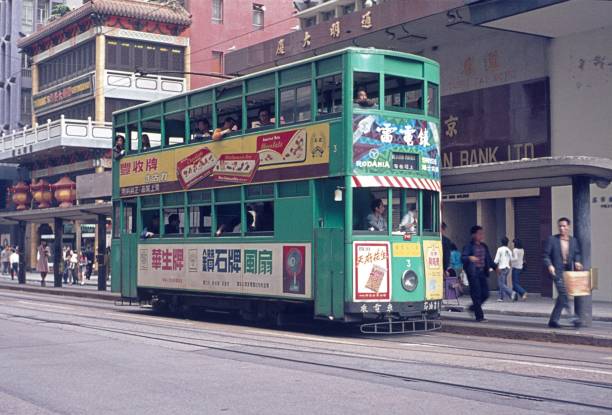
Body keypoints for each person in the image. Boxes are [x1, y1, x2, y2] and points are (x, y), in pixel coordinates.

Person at [543, 217, 583, 328]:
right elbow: (545, 255)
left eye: (564, 226)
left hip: (568, 272)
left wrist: (578, 262)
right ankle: (572, 317)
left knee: (562, 296)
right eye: (560, 226)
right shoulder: (552, 239)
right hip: (556, 271)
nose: (562, 228)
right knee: (563, 294)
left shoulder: (573, 241)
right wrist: (550, 265)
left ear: (568, 227)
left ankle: (553, 321)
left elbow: (577, 253)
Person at [461, 225, 496, 322]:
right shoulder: (468, 247)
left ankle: (473, 307)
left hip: (482, 273)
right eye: (479, 234)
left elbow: (488, 258)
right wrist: (469, 258)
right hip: (473, 273)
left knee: (485, 294)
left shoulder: (484, 246)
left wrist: (495, 267)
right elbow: (463, 257)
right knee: (476, 294)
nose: (481, 235)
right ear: (473, 235)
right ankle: (479, 316)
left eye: (482, 233)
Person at [494, 237, 517, 302]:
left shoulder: (500, 249)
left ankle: (511, 293)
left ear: (501, 242)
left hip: (501, 268)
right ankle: (501, 298)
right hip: (507, 268)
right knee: (503, 283)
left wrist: (492, 266)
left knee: (501, 284)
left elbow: (496, 259)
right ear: (507, 243)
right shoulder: (509, 250)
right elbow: (512, 259)